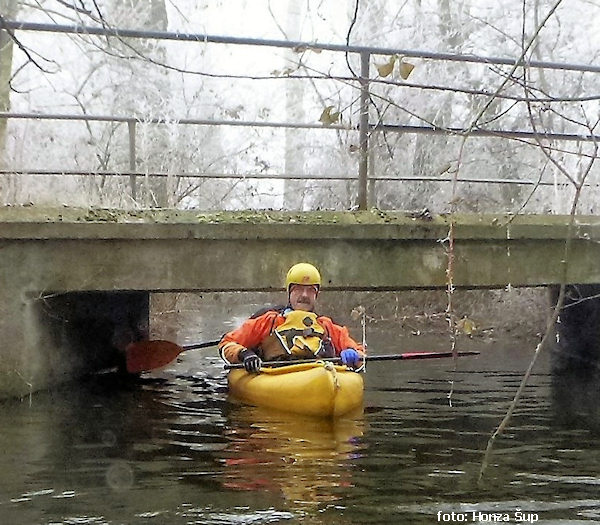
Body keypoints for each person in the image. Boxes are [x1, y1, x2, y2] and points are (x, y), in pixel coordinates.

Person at [218, 263, 365, 373]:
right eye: (298, 289)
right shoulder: (269, 321)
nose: (304, 295)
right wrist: (245, 354)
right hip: (277, 377)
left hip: (320, 377)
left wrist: (354, 355)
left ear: (317, 295)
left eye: (310, 290)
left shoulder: (326, 326)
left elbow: (360, 355)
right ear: (289, 292)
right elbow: (227, 343)